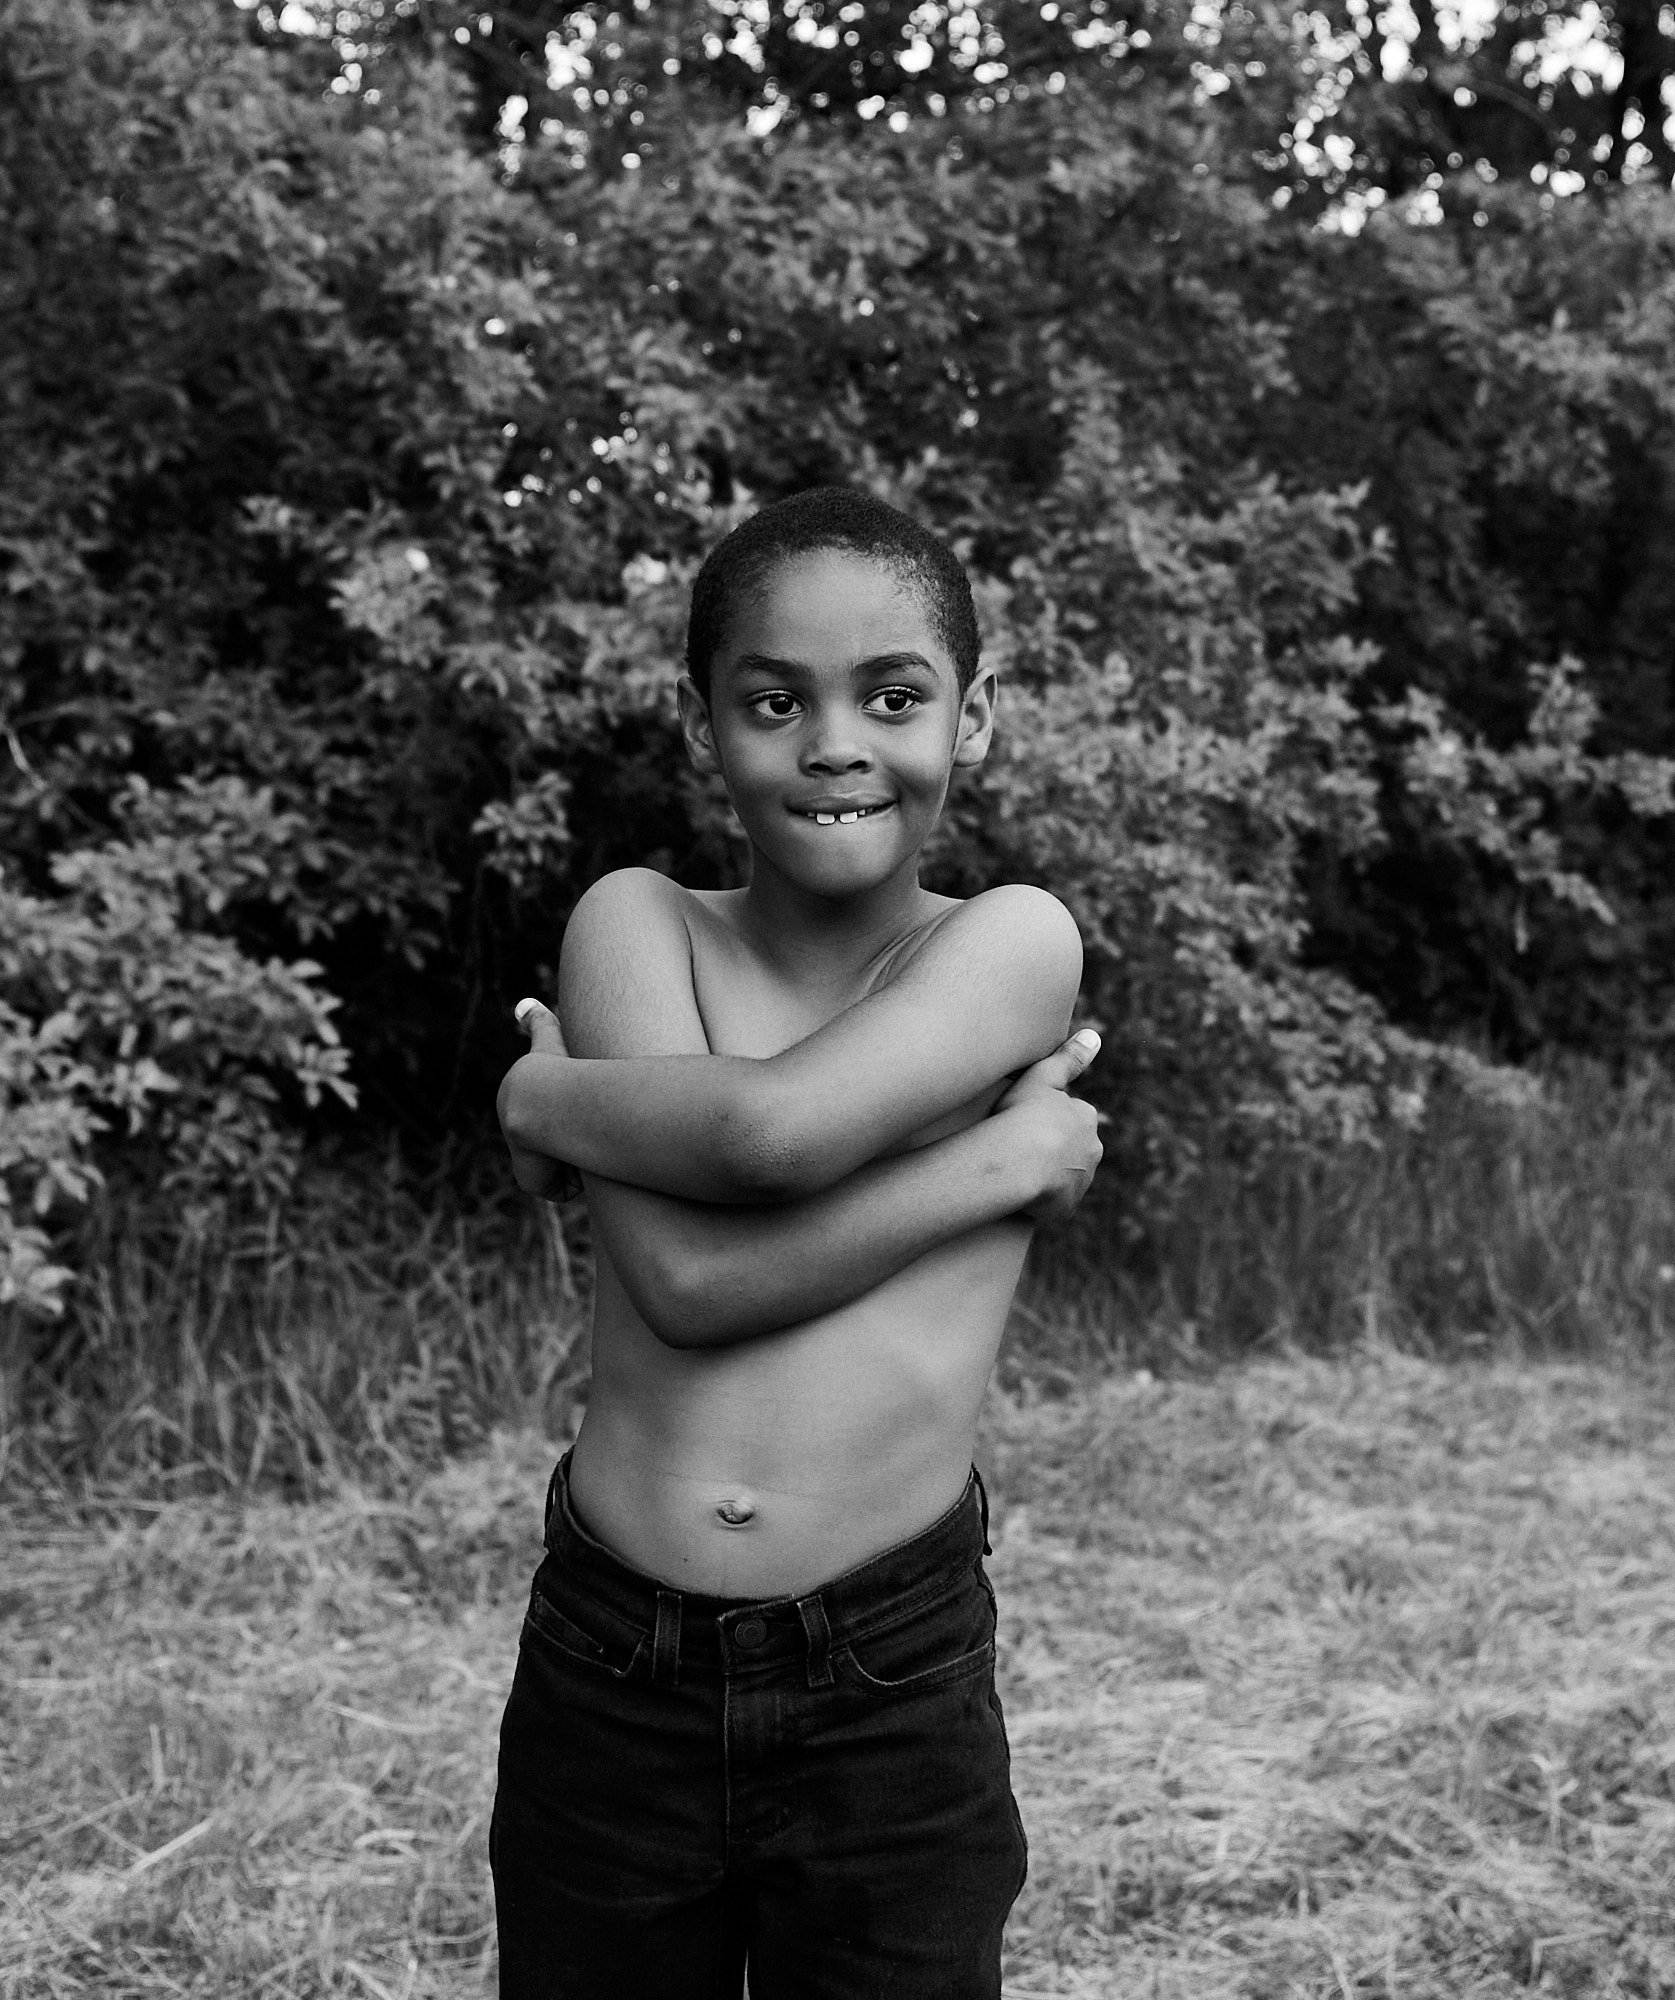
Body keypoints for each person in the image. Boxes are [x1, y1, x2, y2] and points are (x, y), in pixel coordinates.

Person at [490, 486, 1104, 1999]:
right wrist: (994, 1165)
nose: (836, 742)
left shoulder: (1009, 944)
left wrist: (550, 1100)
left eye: (894, 697)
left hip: (887, 1676)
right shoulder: (636, 925)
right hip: (611, 1670)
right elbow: (695, 1278)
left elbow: (762, 1145)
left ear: (971, 722)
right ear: (703, 726)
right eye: (774, 701)